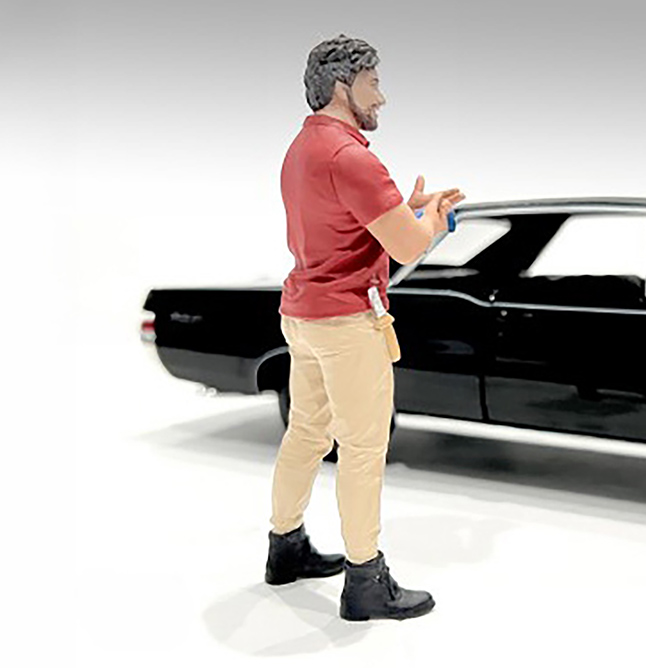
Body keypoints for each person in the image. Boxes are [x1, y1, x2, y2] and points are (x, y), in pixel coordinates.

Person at [265, 34, 465, 622]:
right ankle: (365, 579)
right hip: (348, 321)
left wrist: (406, 209)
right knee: (362, 448)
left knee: (305, 433)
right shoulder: (352, 157)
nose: (382, 96)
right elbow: (405, 246)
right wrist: (431, 221)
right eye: (373, 83)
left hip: (303, 314)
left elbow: (349, 222)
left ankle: (285, 546)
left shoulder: (303, 147)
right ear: (341, 85)